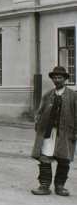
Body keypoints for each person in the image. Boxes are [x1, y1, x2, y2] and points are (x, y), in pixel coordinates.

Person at [30, 65, 77, 196]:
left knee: (64, 158)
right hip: (48, 133)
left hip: (66, 133)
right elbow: (40, 112)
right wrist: (38, 125)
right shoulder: (48, 95)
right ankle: (44, 186)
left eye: (60, 77)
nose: (57, 80)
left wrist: (75, 132)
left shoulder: (73, 96)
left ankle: (60, 187)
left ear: (65, 79)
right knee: (44, 157)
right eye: (55, 78)